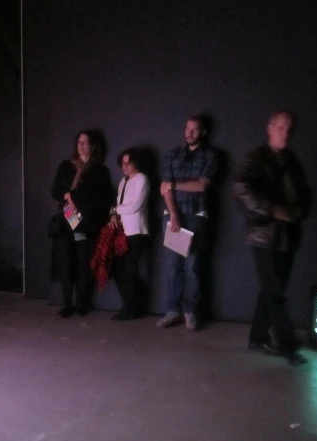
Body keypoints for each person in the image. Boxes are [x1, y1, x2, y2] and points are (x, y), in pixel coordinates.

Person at [233, 109, 311, 366]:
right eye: (280, 127)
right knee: (275, 290)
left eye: (289, 129)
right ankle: (287, 345)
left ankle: (257, 337)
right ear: (270, 128)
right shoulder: (257, 158)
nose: (285, 133)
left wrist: (301, 210)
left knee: (272, 288)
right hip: (264, 236)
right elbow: (240, 188)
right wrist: (272, 210)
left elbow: (303, 191)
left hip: (288, 235)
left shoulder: (291, 159)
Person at [157, 115, 218, 331]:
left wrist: (173, 184)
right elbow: (164, 189)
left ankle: (191, 313)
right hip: (175, 216)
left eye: (194, 130)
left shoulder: (210, 155)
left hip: (196, 215)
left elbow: (202, 186)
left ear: (203, 132)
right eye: (187, 129)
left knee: (192, 267)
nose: (189, 133)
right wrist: (173, 214)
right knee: (174, 267)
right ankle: (173, 311)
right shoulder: (173, 154)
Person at [50, 130, 113, 317]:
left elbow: (101, 197)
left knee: (83, 262)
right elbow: (54, 191)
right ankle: (67, 303)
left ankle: (81, 303)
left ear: (92, 146)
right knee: (65, 260)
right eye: (79, 141)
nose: (81, 145)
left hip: (87, 222)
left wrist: (74, 195)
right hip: (67, 218)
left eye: (85, 142)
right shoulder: (66, 166)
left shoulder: (99, 170)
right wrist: (66, 195)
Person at [108, 148, 150, 320]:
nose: (124, 166)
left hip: (137, 232)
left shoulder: (142, 179)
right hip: (123, 232)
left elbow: (135, 206)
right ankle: (130, 305)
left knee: (130, 270)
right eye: (123, 163)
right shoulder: (123, 182)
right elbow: (119, 206)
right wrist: (113, 214)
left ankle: (129, 309)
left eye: (128, 162)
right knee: (120, 270)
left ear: (136, 163)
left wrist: (115, 209)